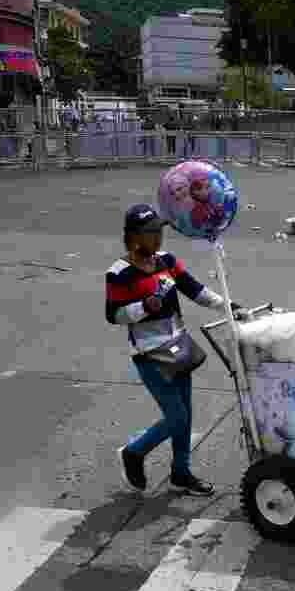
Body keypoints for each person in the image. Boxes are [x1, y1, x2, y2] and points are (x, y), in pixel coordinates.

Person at [107, 204, 242, 496]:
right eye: (151, 232)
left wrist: (229, 307)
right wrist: (143, 307)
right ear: (133, 237)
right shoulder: (119, 273)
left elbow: (195, 290)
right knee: (177, 417)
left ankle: (181, 474)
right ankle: (133, 452)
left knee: (186, 415)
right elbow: (113, 314)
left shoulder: (166, 261)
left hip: (178, 347)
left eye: (159, 231)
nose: (158, 238)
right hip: (149, 353)